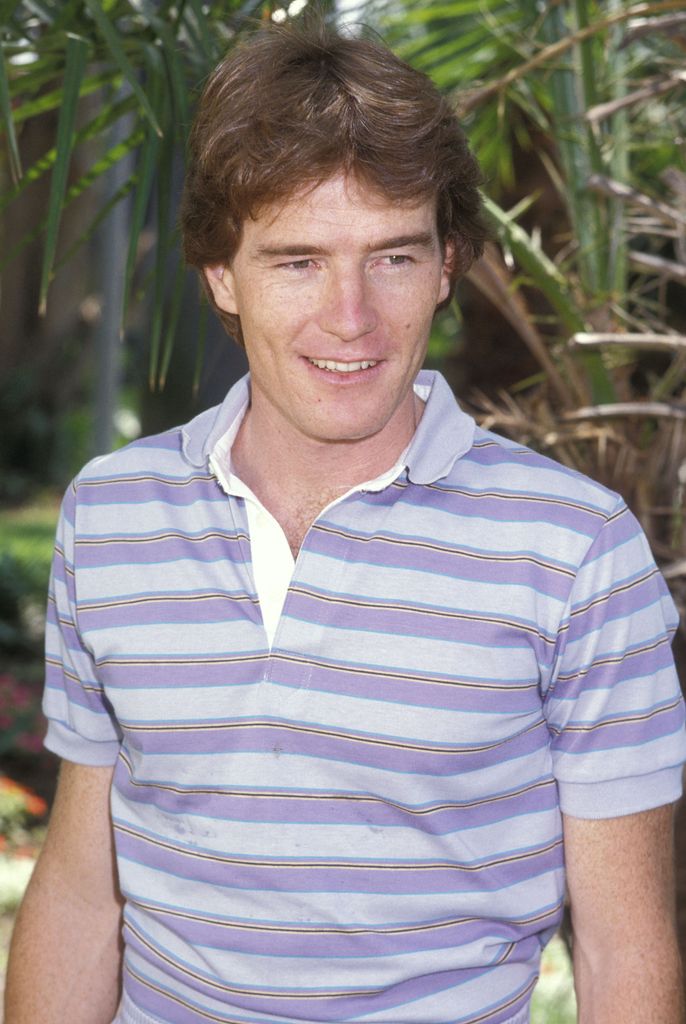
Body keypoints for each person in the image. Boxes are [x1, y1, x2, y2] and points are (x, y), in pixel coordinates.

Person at [5, 18, 686, 1024]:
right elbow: (77, 886)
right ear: (219, 274)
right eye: (296, 262)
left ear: (446, 264)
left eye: (392, 257)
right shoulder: (111, 517)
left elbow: (624, 946)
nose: (351, 316)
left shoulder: (575, 551)